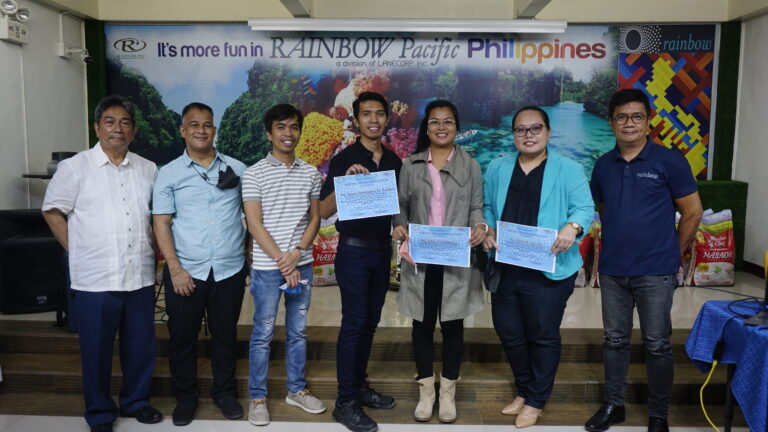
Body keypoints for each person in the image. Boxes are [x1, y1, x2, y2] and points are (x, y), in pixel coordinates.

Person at [41, 95, 162, 432]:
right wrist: (75, 249)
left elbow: (157, 219)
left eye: (125, 122)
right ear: (97, 126)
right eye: (110, 121)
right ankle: (99, 412)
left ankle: (136, 401)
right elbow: (52, 211)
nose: (117, 128)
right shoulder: (75, 167)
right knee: (96, 350)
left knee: (140, 347)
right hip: (95, 279)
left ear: (133, 130)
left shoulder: (147, 168)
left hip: (138, 275)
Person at [585, 89, 703, 432]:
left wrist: (671, 251)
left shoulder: (669, 161)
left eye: (637, 116)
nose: (629, 123)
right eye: (621, 117)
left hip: (656, 271)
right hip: (613, 271)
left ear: (648, 121)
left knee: (657, 344)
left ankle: (658, 414)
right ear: (611, 123)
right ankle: (613, 405)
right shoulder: (603, 165)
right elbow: (604, 210)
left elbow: (692, 213)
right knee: (615, 340)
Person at [483, 106, 594, 428]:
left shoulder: (568, 169)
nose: (528, 135)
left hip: (549, 267)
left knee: (542, 334)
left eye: (535, 129)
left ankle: (535, 400)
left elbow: (584, 208)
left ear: (547, 132)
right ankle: (524, 389)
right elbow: (488, 206)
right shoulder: (497, 167)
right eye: (521, 129)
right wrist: (488, 230)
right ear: (513, 133)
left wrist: (571, 227)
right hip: (506, 265)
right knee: (509, 332)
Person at [391, 99, 487, 424]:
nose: (441, 127)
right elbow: (400, 205)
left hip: (454, 258)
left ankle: (447, 391)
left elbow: (476, 206)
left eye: (447, 121)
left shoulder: (470, 166)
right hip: (420, 258)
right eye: (434, 121)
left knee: (452, 325)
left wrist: (479, 226)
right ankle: (426, 391)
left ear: (457, 127)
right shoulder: (411, 164)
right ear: (426, 127)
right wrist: (398, 223)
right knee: (421, 323)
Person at [152, 102, 247, 426]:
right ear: (183, 130)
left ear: (214, 130)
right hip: (186, 272)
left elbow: (251, 216)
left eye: (207, 124)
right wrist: (174, 269)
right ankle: (186, 397)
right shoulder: (169, 173)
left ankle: (224, 394)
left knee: (225, 336)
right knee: (182, 339)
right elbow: (161, 222)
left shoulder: (237, 169)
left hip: (229, 269)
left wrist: (247, 258)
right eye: (194, 125)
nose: (201, 130)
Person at [319, 91, 402, 432]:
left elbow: (398, 207)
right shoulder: (344, 158)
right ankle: (345, 402)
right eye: (366, 113)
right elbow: (323, 210)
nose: (373, 119)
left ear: (386, 118)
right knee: (354, 324)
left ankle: (360, 386)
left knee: (369, 323)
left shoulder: (395, 160)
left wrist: (400, 228)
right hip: (353, 252)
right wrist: (345, 185)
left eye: (379, 113)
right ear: (355, 119)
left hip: (382, 252)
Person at [242, 103, 325, 427]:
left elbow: (315, 217)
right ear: (269, 133)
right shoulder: (254, 174)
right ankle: (258, 397)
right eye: (281, 127)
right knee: (262, 333)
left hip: (301, 266)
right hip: (266, 269)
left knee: (298, 331)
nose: (288, 133)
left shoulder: (310, 172)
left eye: (293, 127)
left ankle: (297, 390)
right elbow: (254, 224)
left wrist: (298, 253)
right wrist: (283, 261)